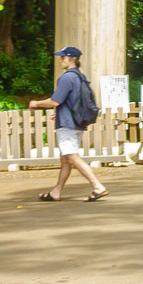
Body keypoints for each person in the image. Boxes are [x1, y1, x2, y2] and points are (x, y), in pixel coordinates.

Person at [28, 46, 109, 202]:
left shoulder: (66, 78)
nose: (61, 61)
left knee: (72, 157)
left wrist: (36, 103)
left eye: (63, 58)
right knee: (66, 159)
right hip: (76, 123)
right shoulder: (80, 77)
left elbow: (55, 101)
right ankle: (56, 192)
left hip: (67, 125)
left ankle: (97, 186)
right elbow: (72, 101)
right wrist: (59, 113)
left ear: (73, 59)